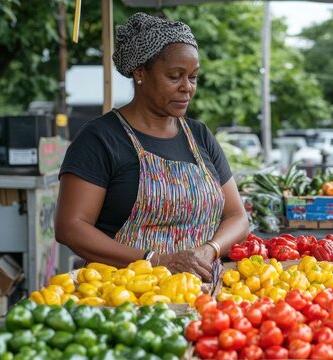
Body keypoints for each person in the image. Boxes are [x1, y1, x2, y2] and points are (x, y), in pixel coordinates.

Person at [55, 12, 249, 282]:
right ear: (140, 73)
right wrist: (155, 260)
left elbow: (237, 215)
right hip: (124, 294)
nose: (187, 88)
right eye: (174, 76)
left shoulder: (199, 135)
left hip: (203, 294)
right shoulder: (100, 138)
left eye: (193, 77)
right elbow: (70, 227)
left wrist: (210, 249)